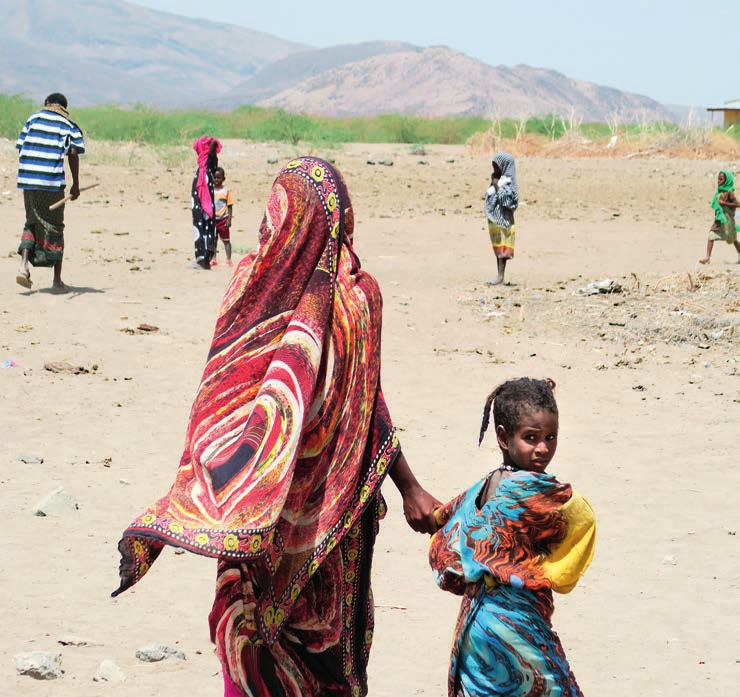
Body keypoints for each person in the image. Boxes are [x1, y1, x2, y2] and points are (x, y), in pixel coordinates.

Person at [113, 156, 441, 697]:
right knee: (257, 650)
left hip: (323, 517)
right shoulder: (258, 287)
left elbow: (365, 397)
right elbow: (222, 399)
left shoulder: (353, 301)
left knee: (315, 652)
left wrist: (409, 485)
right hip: (265, 519)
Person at [429, 377, 596, 697]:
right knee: (550, 686)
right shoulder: (544, 494)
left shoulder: (484, 486)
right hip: (517, 625)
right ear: (504, 438)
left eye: (551, 437)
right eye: (531, 438)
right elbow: (582, 519)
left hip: (475, 628)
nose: (543, 448)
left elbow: (448, 521)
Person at [15, 93, 85, 291]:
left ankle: (23, 267)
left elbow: (21, 147)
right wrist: (76, 184)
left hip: (27, 180)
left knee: (31, 221)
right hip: (50, 182)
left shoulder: (32, 118)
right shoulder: (68, 123)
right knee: (55, 226)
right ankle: (57, 280)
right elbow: (73, 152)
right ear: (64, 107)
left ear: (47, 103)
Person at [484, 152, 519, 285]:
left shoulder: (509, 181)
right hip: (495, 220)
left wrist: (497, 185)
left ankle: (500, 277)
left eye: (496, 166)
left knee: (503, 251)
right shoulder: (499, 179)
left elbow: (509, 201)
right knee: (498, 249)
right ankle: (499, 277)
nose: (494, 169)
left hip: (504, 221)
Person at [192, 136, 221, 269]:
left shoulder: (207, 166)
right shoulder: (204, 168)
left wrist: (211, 147)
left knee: (203, 224)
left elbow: (211, 158)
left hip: (203, 201)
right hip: (201, 200)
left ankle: (204, 259)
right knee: (204, 224)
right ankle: (204, 258)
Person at [699, 169, 740, 264]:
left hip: (728, 221)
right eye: (718, 179)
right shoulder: (718, 193)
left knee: (733, 239)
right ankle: (707, 258)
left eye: (721, 180)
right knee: (711, 236)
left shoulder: (729, 193)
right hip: (719, 219)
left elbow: (737, 204)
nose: (718, 181)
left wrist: (724, 203)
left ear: (726, 181)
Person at [213, 166, 234, 266]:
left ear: (223, 179)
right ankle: (213, 258)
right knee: (213, 240)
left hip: (223, 219)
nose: (216, 180)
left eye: (219, 178)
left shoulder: (226, 191)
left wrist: (229, 219)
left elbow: (229, 206)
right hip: (213, 220)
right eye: (215, 177)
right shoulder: (210, 190)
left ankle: (228, 259)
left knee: (226, 240)